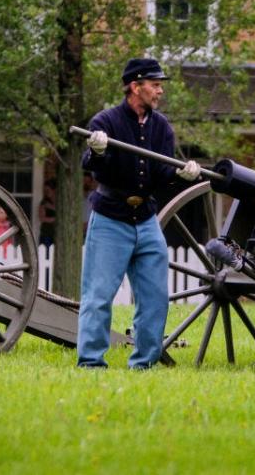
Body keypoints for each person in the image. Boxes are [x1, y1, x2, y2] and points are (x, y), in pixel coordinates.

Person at [78, 57, 201, 369]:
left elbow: (161, 174)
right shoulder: (105, 122)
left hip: (146, 220)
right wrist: (98, 149)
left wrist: (181, 174)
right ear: (136, 87)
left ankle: (143, 364)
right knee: (99, 296)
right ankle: (91, 363)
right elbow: (90, 165)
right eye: (155, 85)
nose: (160, 91)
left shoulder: (162, 128)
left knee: (155, 299)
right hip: (109, 220)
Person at [37, 179, 56, 248]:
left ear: (53, 190)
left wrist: (52, 208)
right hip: (46, 233)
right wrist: (55, 219)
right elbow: (42, 218)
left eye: (48, 190)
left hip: (57, 234)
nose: (46, 192)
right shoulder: (44, 202)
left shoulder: (60, 202)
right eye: (45, 190)